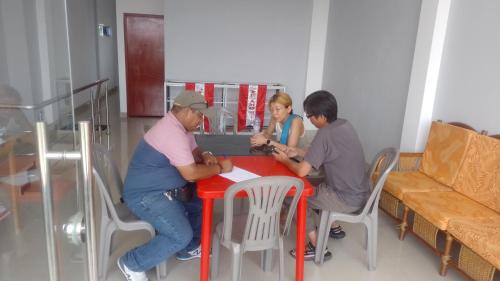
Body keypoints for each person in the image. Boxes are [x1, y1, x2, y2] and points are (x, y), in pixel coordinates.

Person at [118, 90, 233, 281]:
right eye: (199, 115)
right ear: (187, 111)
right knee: (180, 235)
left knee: (200, 200)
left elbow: (194, 149)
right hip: (146, 196)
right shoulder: (172, 133)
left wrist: (204, 155)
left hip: (166, 189)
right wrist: (220, 168)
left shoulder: (180, 127)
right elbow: (190, 173)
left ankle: (189, 249)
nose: (201, 120)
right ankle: (132, 262)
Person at [272, 90, 369, 261]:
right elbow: (324, 152)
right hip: (361, 192)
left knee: (292, 195)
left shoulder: (324, 133)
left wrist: (284, 160)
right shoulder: (344, 124)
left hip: (345, 198)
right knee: (311, 183)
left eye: (310, 116)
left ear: (321, 116)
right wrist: (298, 151)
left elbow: (302, 170)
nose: (309, 120)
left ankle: (318, 247)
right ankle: (333, 226)